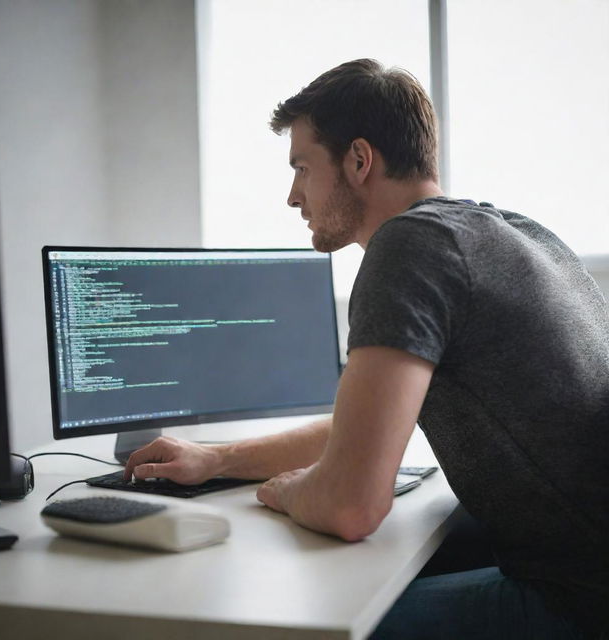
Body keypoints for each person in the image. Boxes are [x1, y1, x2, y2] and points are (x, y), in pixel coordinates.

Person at [124, 59, 608, 639]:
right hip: (581, 559)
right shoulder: (518, 233)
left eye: (303, 167)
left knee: (294, 626)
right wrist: (217, 460)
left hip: (577, 599)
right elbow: (365, 428)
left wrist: (292, 492)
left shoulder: (410, 246)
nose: (292, 196)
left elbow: (350, 508)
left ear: (359, 160)